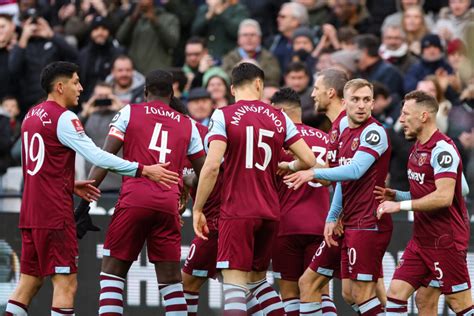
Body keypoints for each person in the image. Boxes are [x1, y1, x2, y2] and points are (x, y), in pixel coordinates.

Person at [4, 61, 179, 316]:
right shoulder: (64, 118)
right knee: (66, 284)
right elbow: (98, 156)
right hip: (54, 216)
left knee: (28, 283)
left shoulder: (31, 115)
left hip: (30, 213)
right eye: (76, 82)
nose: (81, 87)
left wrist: (69, 183)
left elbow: (36, 166)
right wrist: (143, 169)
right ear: (60, 86)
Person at [77, 69, 206, 316]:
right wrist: (187, 185)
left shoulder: (129, 112)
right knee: (171, 282)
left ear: (145, 91)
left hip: (134, 199)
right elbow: (204, 171)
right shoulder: (188, 124)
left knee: (112, 274)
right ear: (173, 93)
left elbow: (104, 158)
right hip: (168, 205)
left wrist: (84, 202)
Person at [192, 62, 316, 315]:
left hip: (238, 211)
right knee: (258, 281)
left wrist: (198, 208)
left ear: (232, 88)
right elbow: (310, 161)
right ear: (259, 84)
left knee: (235, 287)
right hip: (270, 212)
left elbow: (212, 166)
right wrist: (288, 165)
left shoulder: (223, 115)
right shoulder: (280, 117)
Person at [284, 78, 392, 315]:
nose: (361, 105)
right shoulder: (341, 130)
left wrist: (310, 171)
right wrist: (333, 215)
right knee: (319, 285)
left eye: (366, 100)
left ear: (373, 104)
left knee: (365, 293)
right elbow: (341, 179)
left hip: (368, 223)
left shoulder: (374, 132)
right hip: (347, 222)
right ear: (345, 102)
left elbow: (354, 171)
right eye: (355, 100)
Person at [377, 90, 473, 315]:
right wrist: (398, 196)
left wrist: (399, 206)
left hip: (445, 241)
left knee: (460, 304)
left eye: (406, 114)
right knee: (400, 295)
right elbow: (428, 193)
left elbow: (443, 197)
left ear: (424, 116)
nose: (401, 119)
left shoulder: (442, 150)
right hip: (422, 241)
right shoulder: (417, 148)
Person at [270, 87, 335, 315]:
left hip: (287, 225)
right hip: (322, 225)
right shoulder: (326, 138)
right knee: (320, 291)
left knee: (289, 294)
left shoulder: (277, 141)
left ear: (281, 112)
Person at [116, 0, 179, 75]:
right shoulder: (134, 19)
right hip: (135, 76)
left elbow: (172, 42)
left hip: (158, 74)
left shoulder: (169, 19)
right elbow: (120, 39)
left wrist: (154, 21)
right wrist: (134, 17)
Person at [222, 19, 281, 87]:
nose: (249, 38)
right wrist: (239, 69)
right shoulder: (229, 57)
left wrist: (256, 69)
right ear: (239, 39)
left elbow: (275, 78)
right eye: (245, 35)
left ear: (259, 38)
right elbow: (224, 78)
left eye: (253, 35)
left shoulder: (269, 57)